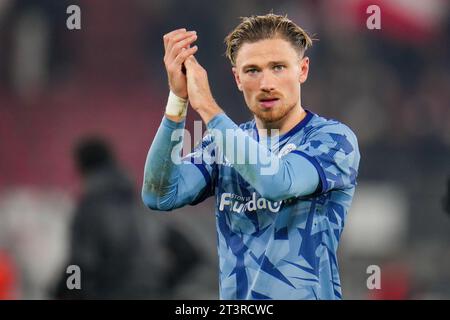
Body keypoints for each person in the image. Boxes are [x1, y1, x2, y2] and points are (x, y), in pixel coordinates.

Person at [142, 14, 360, 300]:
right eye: (253, 71)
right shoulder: (220, 145)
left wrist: (206, 105)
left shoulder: (332, 139)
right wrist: (178, 100)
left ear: (302, 70)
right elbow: (159, 196)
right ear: (237, 78)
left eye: (279, 67)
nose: (266, 82)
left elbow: (277, 183)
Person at [53, 137, 201, 299]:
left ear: (82, 168)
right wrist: (163, 287)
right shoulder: (146, 206)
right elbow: (190, 255)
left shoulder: (90, 208)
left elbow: (80, 264)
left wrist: (65, 291)